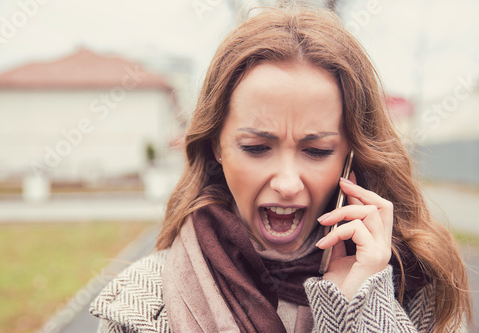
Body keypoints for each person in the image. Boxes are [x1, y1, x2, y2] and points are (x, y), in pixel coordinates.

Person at [89, 5, 472, 333]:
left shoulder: (417, 289)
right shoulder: (137, 306)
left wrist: (365, 306)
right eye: (257, 148)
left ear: (352, 156)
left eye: (317, 150)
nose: (287, 184)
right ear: (215, 147)